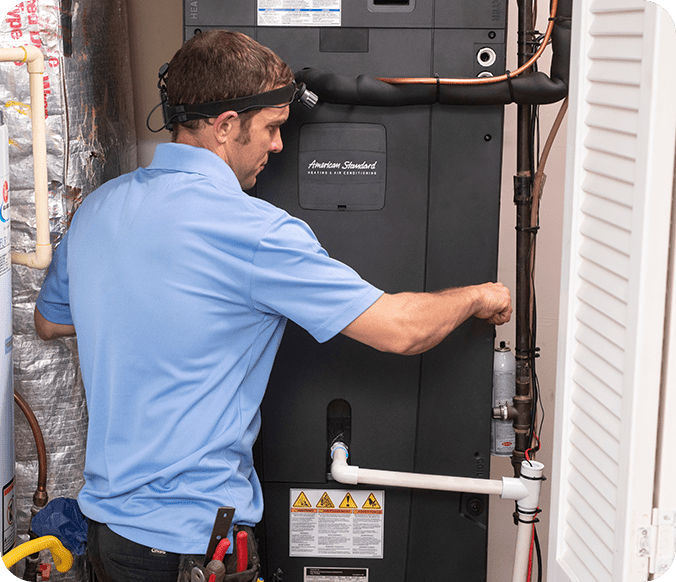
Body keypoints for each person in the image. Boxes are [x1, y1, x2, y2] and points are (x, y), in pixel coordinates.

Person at [34, 30, 511, 582]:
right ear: (226, 125)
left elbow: (50, 321)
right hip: (192, 546)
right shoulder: (255, 233)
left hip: (109, 538)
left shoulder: (99, 209)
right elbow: (400, 330)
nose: (279, 146)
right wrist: (478, 296)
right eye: (273, 128)